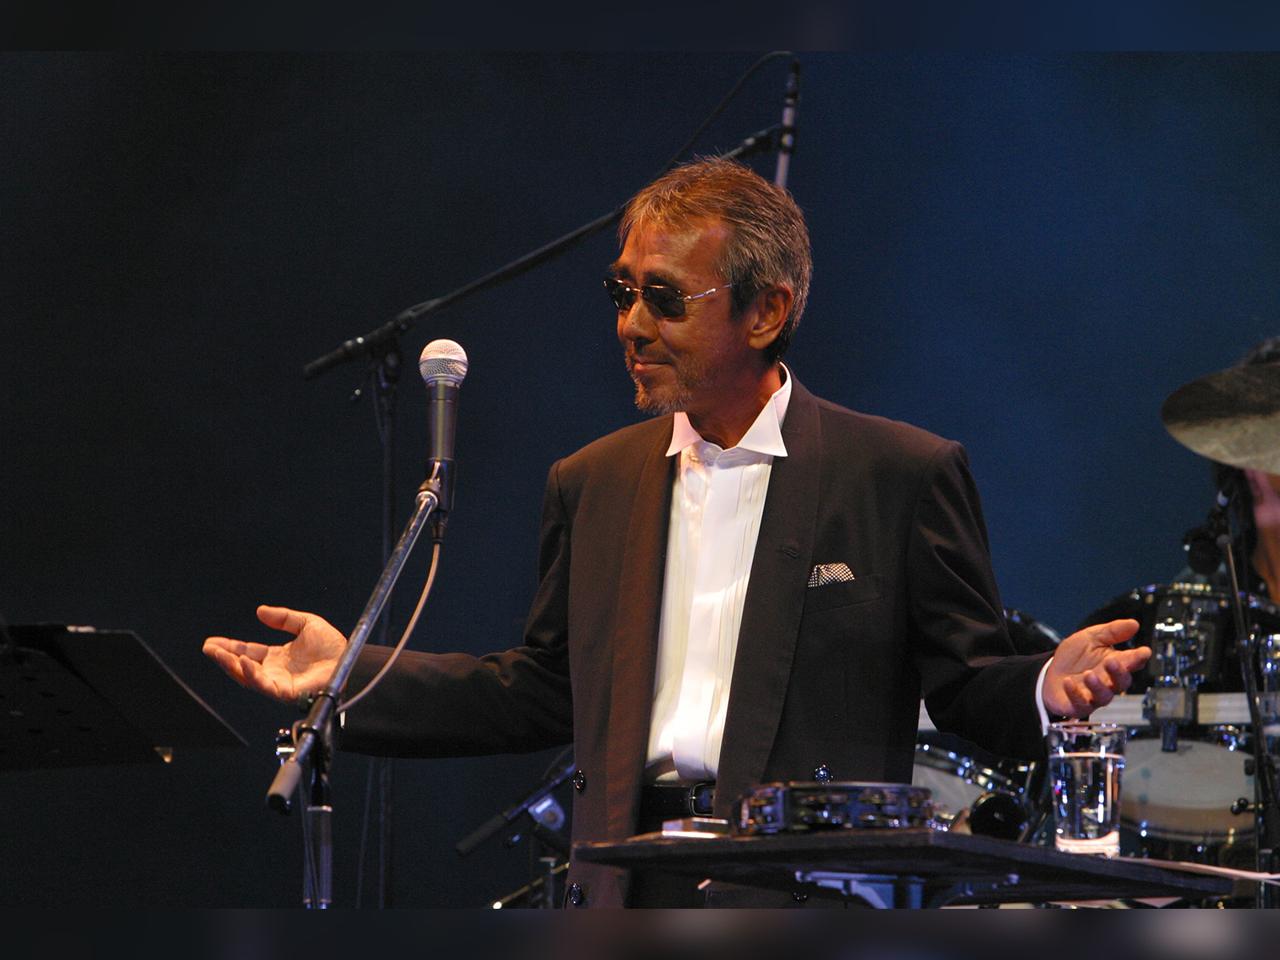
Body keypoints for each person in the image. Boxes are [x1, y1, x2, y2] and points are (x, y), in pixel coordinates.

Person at [204, 158, 1150, 908]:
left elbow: (968, 683)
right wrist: (350, 673)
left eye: (664, 299)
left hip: (798, 891)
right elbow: (541, 692)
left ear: (767, 310)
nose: (630, 325)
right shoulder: (593, 481)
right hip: (625, 879)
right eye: (622, 293)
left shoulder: (898, 473)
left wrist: (1044, 685)